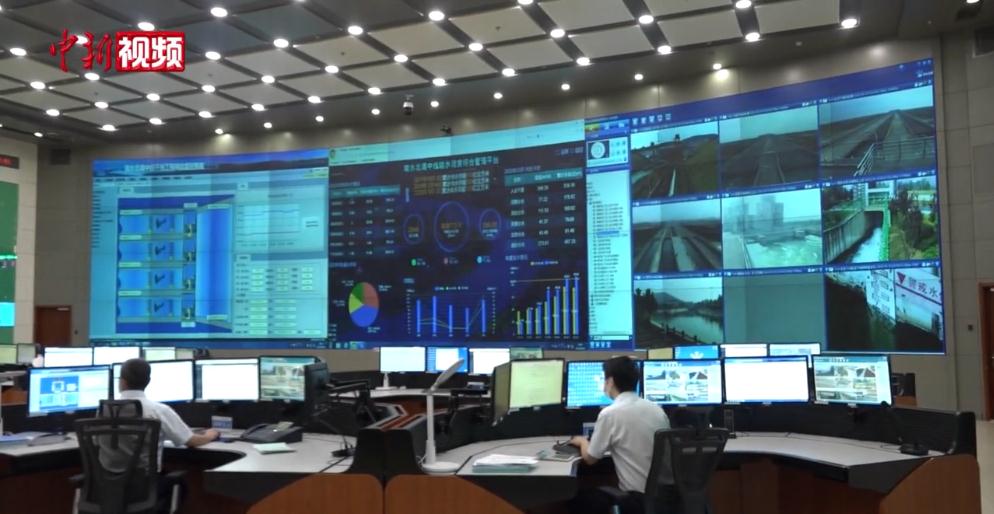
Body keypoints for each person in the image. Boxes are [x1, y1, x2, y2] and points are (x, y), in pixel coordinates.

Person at [568, 356, 672, 514]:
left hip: (637, 500)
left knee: (577, 500)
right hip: (666, 498)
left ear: (610, 382)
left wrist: (582, 441)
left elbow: (590, 458)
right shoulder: (657, 410)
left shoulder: (610, 413)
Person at [115, 358, 219, 469]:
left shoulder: (105, 410)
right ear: (148, 381)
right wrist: (209, 435)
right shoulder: (159, 410)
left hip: (108, 477)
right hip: (144, 477)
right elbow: (191, 441)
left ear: (122, 381)